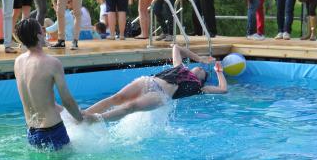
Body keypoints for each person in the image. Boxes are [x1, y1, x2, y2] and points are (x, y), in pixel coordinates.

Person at [82, 44, 227, 123]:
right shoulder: (180, 67)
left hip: (160, 96)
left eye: (203, 72)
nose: (201, 69)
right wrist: (199, 58)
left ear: (202, 79)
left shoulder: (199, 88)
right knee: (117, 98)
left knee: (130, 107)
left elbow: (223, 89)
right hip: (148, 81)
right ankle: (84, 114)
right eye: (199, 66)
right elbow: (176, 47)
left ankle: (94, 120)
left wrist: (219, 71)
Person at [14, 18, 85, 150]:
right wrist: (80, 119)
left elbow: (38, 97)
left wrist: (63, 112)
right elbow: (67, 100)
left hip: (31, 132)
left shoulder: (18, 62)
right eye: (42, 31)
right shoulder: (52, 63)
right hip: (53, 131)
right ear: (38, 36)